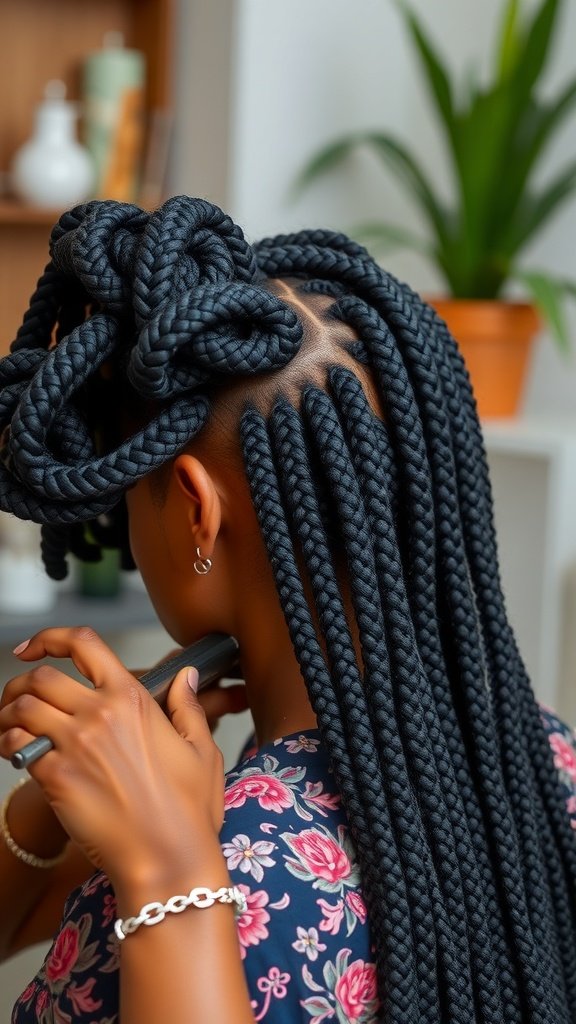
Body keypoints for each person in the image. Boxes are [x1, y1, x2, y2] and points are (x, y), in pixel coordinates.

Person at [0, 195, 575, 1024]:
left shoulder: (180, 896)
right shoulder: (541, 765)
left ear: (198, 513)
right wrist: (46, 807)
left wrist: (165, 877)